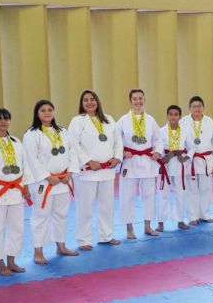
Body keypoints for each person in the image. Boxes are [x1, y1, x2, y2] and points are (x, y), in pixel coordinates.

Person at [24, 99, 78, 265]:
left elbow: (72, 152)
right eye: (43, 110)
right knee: (41, 216)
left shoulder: (62, 131)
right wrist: (48, 176)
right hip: (44, 183)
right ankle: (38, 251)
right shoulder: (31, 134)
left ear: (53, 112)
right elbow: (31, 159)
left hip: (62, 181)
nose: (47, 113)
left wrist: (70, 172)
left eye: (49, 110)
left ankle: (61, 246)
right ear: (37, 114)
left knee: (61, 215)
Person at [0, 108, 33, 276]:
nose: (3, 121)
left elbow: (25, 166)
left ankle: (12, 261)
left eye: (6, 118)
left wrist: (26, 187)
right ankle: (0, 264)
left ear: (10, 121)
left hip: (16, 191)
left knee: (17, 228)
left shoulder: (17, 142)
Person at [68, 90, 122, 250]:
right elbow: (73, 143)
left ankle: (106, 235)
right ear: (81, 103)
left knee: (107, 205)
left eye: (92, 99)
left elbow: (118, 140)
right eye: (86, 100)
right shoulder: (78, 121)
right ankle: (83, 239)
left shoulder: (109, 120)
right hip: (87, 172)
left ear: (97, 101)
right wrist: (88, 161)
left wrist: (117, 157)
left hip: (107, 170)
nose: (90, 102)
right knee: (85, 207)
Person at [116, 89, 164, 239]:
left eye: (140, 99)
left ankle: (147, 226)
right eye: (135, 99)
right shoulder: (123, 120)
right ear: (130, 101)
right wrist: (122, 152)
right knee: (127, 196)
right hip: (130, 162)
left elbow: (158, 139)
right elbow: (115, 140)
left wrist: (157, 151)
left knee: (149, 195)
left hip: (148, 161)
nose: (138, 102)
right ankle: (129, 228)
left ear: (144, 100)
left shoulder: (150, 120)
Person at [181, 96, 213, 225]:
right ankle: (192, 216)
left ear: (203, 108)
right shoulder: (183, 122)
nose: (197, 109)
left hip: (206, 159)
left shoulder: (209, 121)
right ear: (189, 108)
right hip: (190, 160)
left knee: (206, 188)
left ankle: (205, 214)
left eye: (199, 106)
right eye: (194, 106)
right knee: (191, 189)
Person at [156, 104, 191, 232]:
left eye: (176, 114)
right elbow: (157, 148)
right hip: (166, 165)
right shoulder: (161, 131)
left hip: (179, 166)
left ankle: (180, 220)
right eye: (171, 114)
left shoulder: (185, 131)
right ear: (167, 116)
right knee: (162, 193)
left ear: (179, 116)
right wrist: (162, 157)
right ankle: (161, 222)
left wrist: (185, 156)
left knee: (180, 193)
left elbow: (192, 147)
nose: (173, 117)